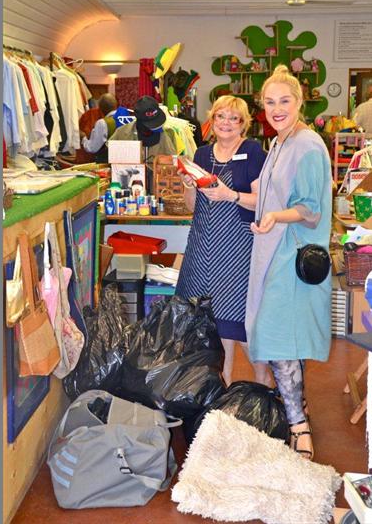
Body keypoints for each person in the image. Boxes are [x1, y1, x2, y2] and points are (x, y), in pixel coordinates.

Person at [246, 65, 333, 460]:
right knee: (286, 338)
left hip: (293, 256)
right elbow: (275, 194)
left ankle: (299, 427)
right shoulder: (280, 142)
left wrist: (274, 217)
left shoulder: (308, 145)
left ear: (300, 103)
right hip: (275, 252)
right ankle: (297, 404)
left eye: (284, 101)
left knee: (277, 338)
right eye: (270, 102)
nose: (277, 109)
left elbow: (310, 209)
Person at [175, 96, 272, 387]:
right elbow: (192, 206)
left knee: (239, 320)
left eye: (234, 118)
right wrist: (188, 186)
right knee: (209, 322)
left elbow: (263, 202)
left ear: (243, 124)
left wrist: (230, 195)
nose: (226, 123)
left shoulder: (252, 152)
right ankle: (222, 385)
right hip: (202, 245)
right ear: (212, 120)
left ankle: (264, 385)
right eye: (221, 116)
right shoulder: (202, 154)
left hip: (236, 248)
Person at [108, 95, 177, 163]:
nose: (154, 127)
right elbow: (110, 156)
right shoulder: (121, 133)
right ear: (139, 119)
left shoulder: (166, 133)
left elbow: (174, 161)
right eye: (150, 123)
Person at [77, 93, 117, 163]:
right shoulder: (129, 118)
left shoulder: (102, 123)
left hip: (107, 163)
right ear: (116, 105)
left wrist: (83, 137)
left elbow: (92, 148)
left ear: (100, 108)